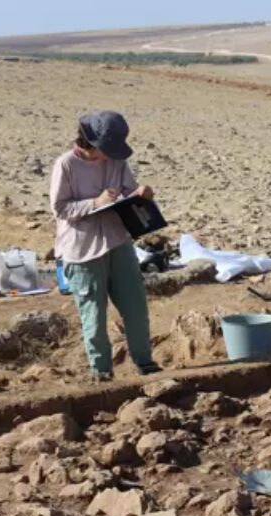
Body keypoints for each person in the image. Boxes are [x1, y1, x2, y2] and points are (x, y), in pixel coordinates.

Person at [49, 111, 160, 381]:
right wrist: (94, 203)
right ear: (90, 142)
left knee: (135, 307)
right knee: (94, 314)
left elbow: (128, 192)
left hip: (117, 241)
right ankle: (101, 372)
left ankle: (145, 363)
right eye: (106, 149)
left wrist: (141, 194)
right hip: (82, 249)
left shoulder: (118, 162)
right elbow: (59, 208)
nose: (109, 156)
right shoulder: (66, 164)